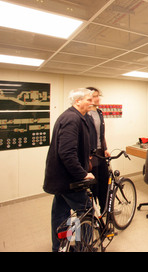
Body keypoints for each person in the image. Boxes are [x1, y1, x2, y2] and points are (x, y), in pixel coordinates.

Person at [43, 88, 95, 252]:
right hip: (69, 180)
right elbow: (66, 153)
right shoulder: (72, 119)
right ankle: (84, 247)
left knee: (61, 214)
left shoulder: (74, 117)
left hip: (61, 180)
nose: (91, 102)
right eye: (88, 99)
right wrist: (83, 174)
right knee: (86, 210)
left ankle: (59, 247)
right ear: (77, 101)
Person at [85, 87, 110, 213]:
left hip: (100, 153)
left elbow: (101, 134)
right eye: (94, 96)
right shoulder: (85, 114)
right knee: (94, 184)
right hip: (90, 154)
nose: (97, 98)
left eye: (98, 95)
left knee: (104, 182)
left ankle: (105, 209)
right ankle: (93, 213)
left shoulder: (99, 112)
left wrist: (105, 148)